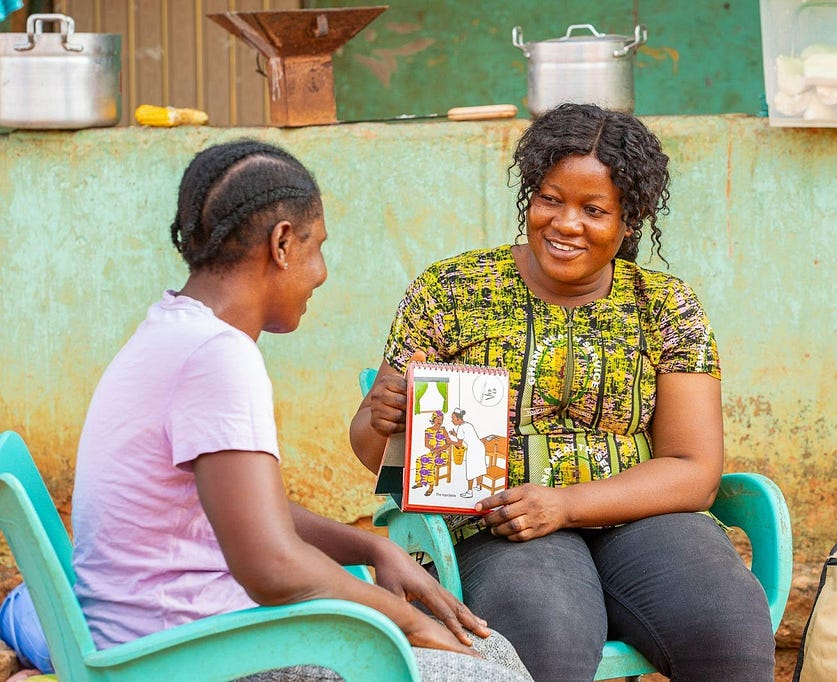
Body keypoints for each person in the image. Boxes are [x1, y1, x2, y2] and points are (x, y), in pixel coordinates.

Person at [70, 139, 531, 682]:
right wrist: (403, 622)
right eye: (318, 247)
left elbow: (246, 511)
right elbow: (269, 566)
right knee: (483, 672)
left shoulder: (175, 329)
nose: (322, 272)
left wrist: (372, 548)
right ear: (283, 244)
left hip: (175, 630)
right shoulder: (217, 358)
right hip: (190, 655)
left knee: (486, 647)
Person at [350, 103, 777, 681]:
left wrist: (565, 503)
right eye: (550, 199)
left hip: (646, 520)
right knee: (543, 633)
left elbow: (693, 468)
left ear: (630, 221)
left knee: (725, 621)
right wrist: (380, 419)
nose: (566, 223)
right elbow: (380, 456)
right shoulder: (450, 291)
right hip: (495, 526)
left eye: (594, 209)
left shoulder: (666, 307)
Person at [449, 409, 486, 497]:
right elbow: (466, 436)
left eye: (453, 418)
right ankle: (478, 486)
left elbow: (459, 443)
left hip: (473, 450)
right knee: (479, 467)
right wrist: (455, 434)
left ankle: (469, 492)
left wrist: (450, 441)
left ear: (458, 419)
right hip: (480, 447)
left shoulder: (461, 427)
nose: (452, 420)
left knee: (471, 470)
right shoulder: (467, 424)